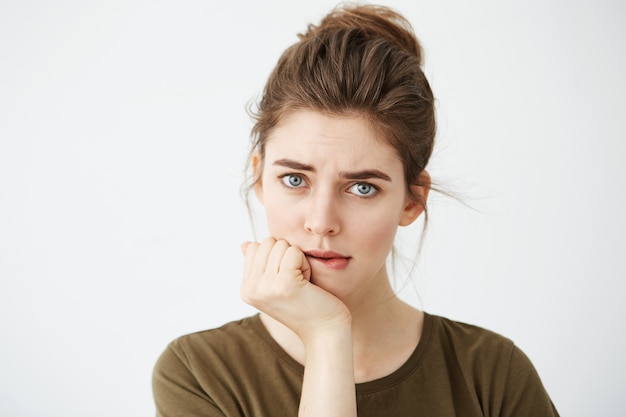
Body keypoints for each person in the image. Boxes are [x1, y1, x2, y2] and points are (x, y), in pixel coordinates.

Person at [152, 3, 559, 416]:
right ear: (259, 178)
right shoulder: (200, 375)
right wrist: (327, 334)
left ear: (412, 199)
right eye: (295, 180)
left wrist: (327, 331)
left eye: (362, 187)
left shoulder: (492, 374)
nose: (321, 222)